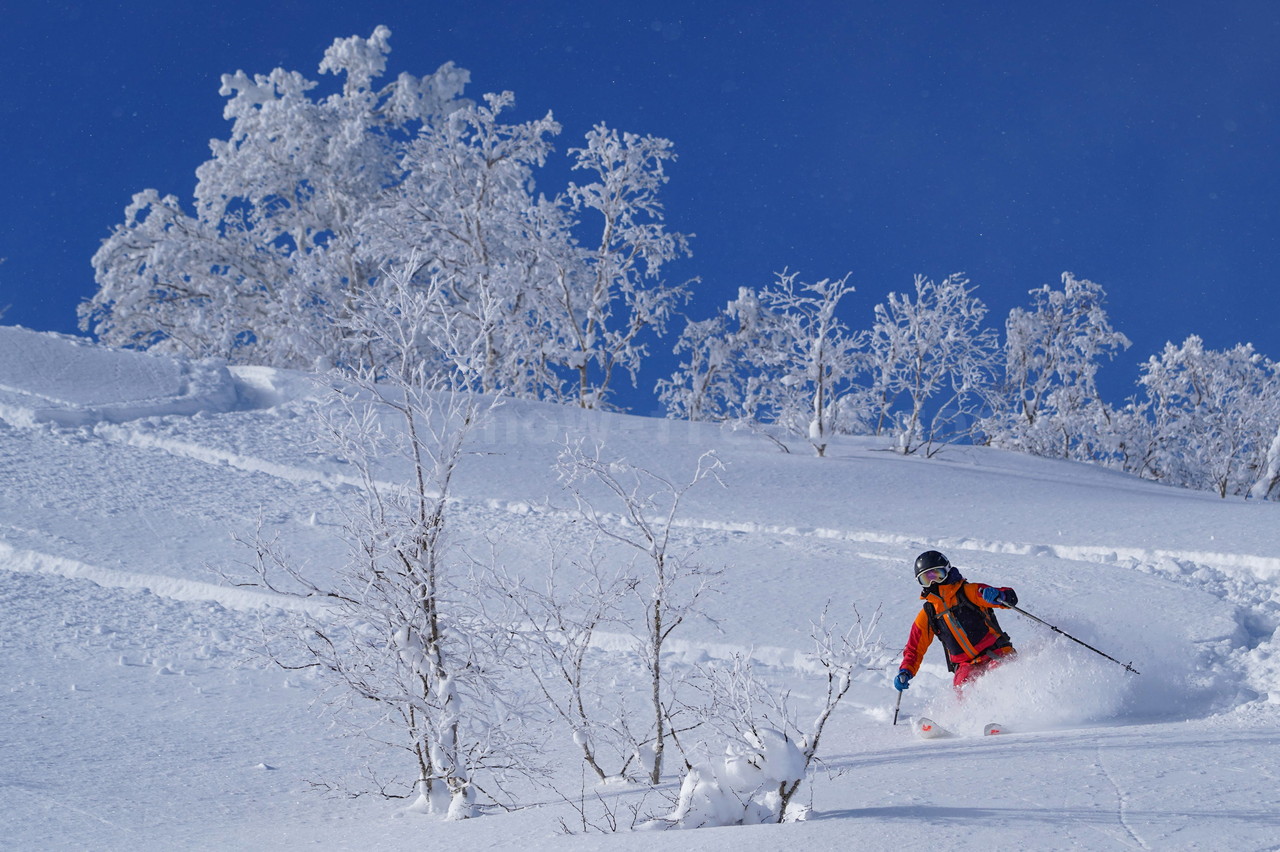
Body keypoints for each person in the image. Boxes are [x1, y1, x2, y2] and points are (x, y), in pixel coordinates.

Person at [893, 550, 1018, 694]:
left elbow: (1010, 598)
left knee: (999, 676)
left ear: (947, 571)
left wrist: (1000, 595)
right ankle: (964, 716)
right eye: (926, 579)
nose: (933, 582)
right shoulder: (929, 613)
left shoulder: (968, 592)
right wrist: (905, 671)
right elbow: (914, 648)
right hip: (965, 666)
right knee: (963, 692)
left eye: (937, 575)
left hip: (996, 652)